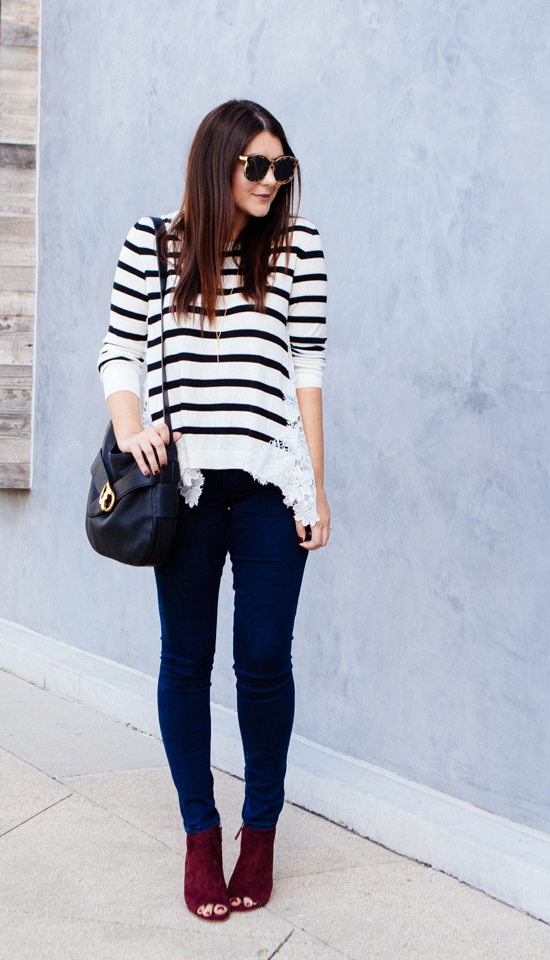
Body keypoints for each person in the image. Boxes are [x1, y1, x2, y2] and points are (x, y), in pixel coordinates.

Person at [98, 100, 329, 921]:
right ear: (219, 163)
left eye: (282, 168)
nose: (273, 181)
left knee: (264, 659)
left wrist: (317, 485)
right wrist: (132, 427)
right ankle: (202, 835)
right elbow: (119, 348)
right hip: (185, 489)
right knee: (186, 659)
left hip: (270, 484)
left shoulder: (298, 248)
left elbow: (308, 369)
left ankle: (259, 830)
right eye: (257, 167)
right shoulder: (152, 242)